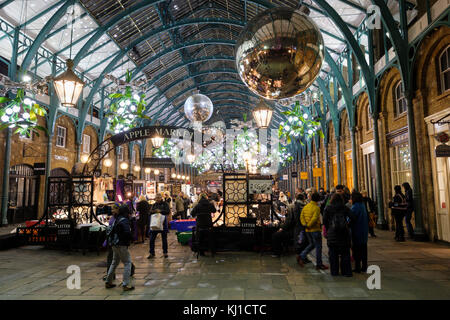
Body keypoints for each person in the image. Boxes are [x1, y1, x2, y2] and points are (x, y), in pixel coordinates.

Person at [323, 194, 354, 277]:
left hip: (332, 233)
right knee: (345, 253)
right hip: (344, 233)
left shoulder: (328, 208)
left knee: (333, 253)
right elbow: (352, 217)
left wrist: (329, 227)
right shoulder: (344, 207)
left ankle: (334, 271)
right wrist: (347, 224)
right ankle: (346, 272)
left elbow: (324, 220)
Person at [105, 205, 134, 291]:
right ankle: (125, 284)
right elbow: (126, 233)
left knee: (114, 262)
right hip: (121, 244)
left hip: (114, 244)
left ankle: (108, 281)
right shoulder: (124, 220)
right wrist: (130, 239)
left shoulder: (116, 219)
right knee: (127, 262)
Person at [297, 192, 328, 270]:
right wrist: (309, 225)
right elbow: (314, 218)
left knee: (312, 244)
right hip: (315, 229)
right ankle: (319, 264)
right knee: (318, 247)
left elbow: (302, 216)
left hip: (307, 230)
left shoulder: (306, 206)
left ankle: (301, 255)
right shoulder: (317, 208)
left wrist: (305, 225)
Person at [350, 191, 369, 273]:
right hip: (364, 230)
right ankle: (364, 266)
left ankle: (357, 267)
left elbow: (351, 218)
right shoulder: (362, 205)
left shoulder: (355, 207)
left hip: (357, 230)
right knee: (364, 249)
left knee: (357, 250)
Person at [148, 193, 170, 258]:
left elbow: (168, 211)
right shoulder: (154, 205)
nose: (157, 199)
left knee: (164, 239)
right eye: (156, 198)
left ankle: (165, 252)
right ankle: (152, 253)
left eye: (158, 198)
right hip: (155, 223)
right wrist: (155, 211)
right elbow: (150, 212)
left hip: (163, 223)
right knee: (152, 239)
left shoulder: (165, 204)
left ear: (161, 198)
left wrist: (160, 211)